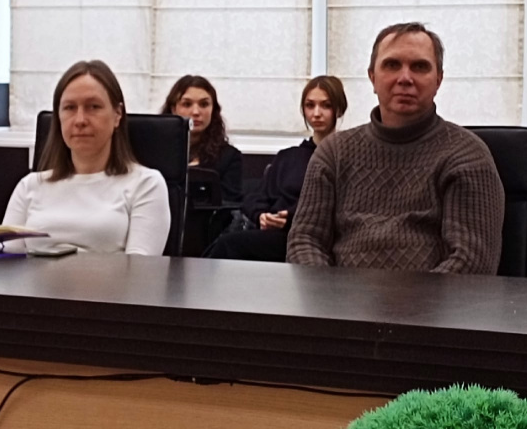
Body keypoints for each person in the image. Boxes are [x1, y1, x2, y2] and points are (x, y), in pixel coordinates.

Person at [287, 22, 504, 273]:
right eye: (392, 65)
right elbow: (304, 242)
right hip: (337, 296)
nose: (405, 78)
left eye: (419, 67)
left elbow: (472, 261)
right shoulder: (333, 154)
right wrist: (330, 293)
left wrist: (406, 300)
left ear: (438, 80)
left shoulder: (466, 156)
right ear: (372, 77)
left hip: (434, 298)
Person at [5, 60, 170, 256]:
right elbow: (7, 263)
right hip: (32, 277)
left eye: (93, 107)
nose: (80, 120)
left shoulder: (145, 184)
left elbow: (140, 269)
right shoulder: (30, 186)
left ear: (117, 114)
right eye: (69, 108)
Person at [207, 75, 348, 262]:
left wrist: (289, 217)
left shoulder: (345, 156)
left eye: (326, 105)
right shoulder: (287, 157)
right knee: (223, 244)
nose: (316, 113)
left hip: (309, 237)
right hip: (273, 232)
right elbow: (256, 197)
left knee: (228, 245)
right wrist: (262, 216)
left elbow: (336, 206)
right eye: (310, 105)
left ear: (339, 109)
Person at [162, 75, 242, 203]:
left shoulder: (229, 157)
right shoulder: (154, 153)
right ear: (173, 109)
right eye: (187, 104)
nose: (196, 112)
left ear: (213, 110)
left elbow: (229, 203)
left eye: (204, 104)